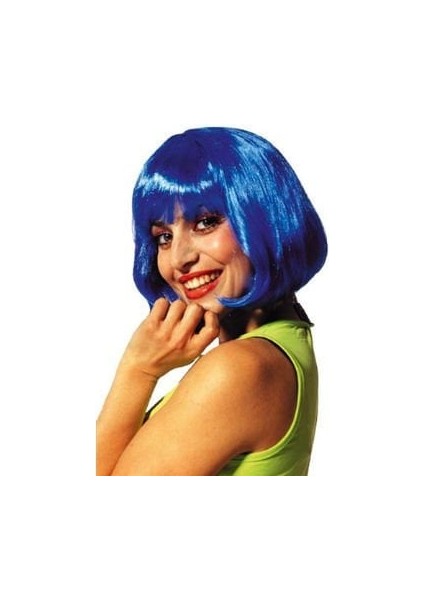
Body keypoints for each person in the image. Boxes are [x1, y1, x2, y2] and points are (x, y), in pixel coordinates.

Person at [96, 127, 327, 476]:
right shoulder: (284, 341)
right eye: (163, 237)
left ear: (264, 218)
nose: (179, 258)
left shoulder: (239, 369)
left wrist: (138, 369)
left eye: (205, 222)